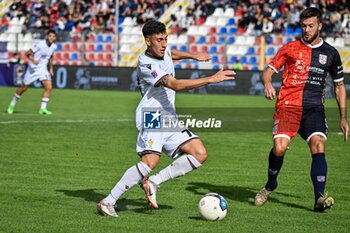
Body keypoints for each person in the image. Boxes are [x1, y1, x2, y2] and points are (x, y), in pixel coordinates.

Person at [97, 20, 236, 217]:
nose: (164, 44)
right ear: (147, 41)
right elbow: (175, 84)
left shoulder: (164, 51)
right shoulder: (147, 64)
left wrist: (193, 56)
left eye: (165, 39)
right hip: (152, 115)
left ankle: (154, 181)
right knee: (149, 162)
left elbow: (173, 53)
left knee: (199, 153)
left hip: (168, 115)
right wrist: (211, 79)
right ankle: (108, 201)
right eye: (159, 40)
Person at [254, 7, 348, 212]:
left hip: (314, 108)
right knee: (279, 148)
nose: (306, 30)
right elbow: (268, 72)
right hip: (288, 106)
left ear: (320, 26)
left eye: (311, 26)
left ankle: (319, 198)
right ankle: (270, 184)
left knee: (318, 145)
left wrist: (343, 117)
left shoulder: (331, 53)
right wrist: (268, 83)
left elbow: (340, 86)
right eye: (303, 26)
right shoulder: (290, 48)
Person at [7, 30, 57, 115]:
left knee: (48, 87)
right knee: (23, 88)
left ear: (55, 38)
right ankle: (12, 103)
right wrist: (33, 60)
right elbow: (28, 53)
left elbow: (51, 56)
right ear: (46, 37)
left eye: (53, 36)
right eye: (50, 36)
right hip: (33, 69)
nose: (51, 38)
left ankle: (43, 109)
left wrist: (51, 68)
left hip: (43, 69)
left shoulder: (54, 46)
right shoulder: (40, 44)